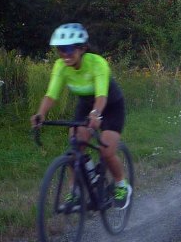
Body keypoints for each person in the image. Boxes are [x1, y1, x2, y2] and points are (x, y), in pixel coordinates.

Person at [31, 23, 131, 208]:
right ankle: (76, 192)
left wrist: (96, 114)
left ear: (82, 48)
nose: (65, 54)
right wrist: (40, 113)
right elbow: (51, 95)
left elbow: (101, 96)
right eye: (60, 49)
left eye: (69, 49)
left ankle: (121, 185)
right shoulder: (61, 66)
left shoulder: (97, 63)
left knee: (106, 150)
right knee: (75, 147)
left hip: (111, 105)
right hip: (86, 105)